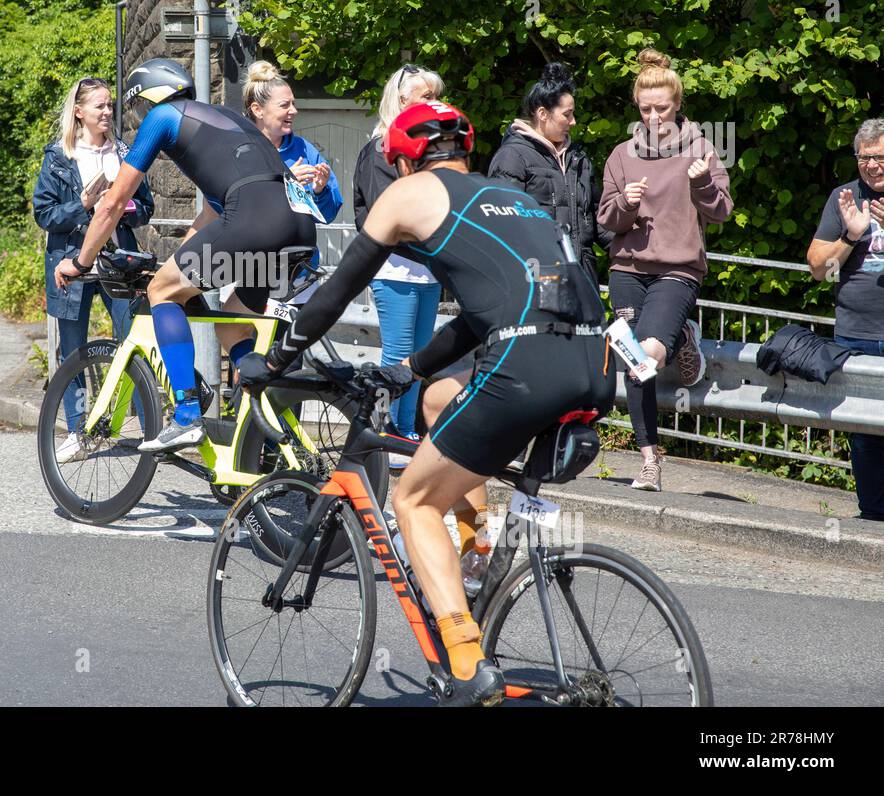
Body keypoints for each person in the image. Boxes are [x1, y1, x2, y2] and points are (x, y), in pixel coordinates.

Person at [240, 101, 614, 706]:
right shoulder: (512, 197)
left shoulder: (409, 194)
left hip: (526, 366)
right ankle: (472, 551)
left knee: (411, 498)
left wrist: (278, 360)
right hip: (593, 368)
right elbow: (478, 317)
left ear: (403, 158)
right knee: (440, 400)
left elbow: (338, 289)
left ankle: (465, 659)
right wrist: (409, 370)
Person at [54, 57, 317, 452]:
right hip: (295, 227)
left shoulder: (163, 117)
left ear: (149, 97)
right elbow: (212, 212)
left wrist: (81, 262)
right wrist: (172, 267)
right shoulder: (225, 122)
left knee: (161, 293)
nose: (142, 115)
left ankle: (187, 413)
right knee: (230, 326)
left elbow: (112, 204)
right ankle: (268, 415)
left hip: (255, 222)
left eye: (138, 105)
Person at [597, 49, 733, 491]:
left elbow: (722, 212)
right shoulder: (621, 155)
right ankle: (650, 460)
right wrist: (626, 204)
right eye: (645, 108)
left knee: (649, 354)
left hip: (678, 268)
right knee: (635, 360)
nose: (654, 116)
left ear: (678, 105)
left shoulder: (701, 148)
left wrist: (701, 182)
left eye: (662, 108)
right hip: (627, 268)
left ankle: (675, 339)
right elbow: (606, 220)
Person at [34, 76, 154, 463]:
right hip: (71, 263)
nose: (107, 112)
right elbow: (45, 214)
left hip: (117, 263)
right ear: (79, 112)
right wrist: (84, 204)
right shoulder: (58, 156)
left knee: (130, 342)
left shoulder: (124, 152)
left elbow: (146, 208)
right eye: (100, 106)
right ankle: (77, 430)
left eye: (110, 106)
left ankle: (135, 424)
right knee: (74, 351)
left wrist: (124, 206)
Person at [353, 64, 445, 464]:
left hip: (427, 268)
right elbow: (385, 215)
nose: (434, 103)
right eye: (426, 96)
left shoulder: (429, 149)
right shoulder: (379, 150)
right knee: (397, 354)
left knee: (420, 356)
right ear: (402, 100)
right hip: (397, 267)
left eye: (435, 95)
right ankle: (386, 431)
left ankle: (405, 432)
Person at [807, 117, 884, 520]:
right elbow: (819, 268)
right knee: (866, 433)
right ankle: (872, 518)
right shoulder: (845, 198)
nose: (873, 166)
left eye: (881, 157)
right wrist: (852, 236)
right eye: (865, 157)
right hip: (857, 333)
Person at [489, 62, 610, 284]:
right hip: (536, 275)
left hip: (581, 275)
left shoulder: (578, 159)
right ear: (543, 114)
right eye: (567, 114)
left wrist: (639, 255)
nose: (573, 121)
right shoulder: (512, 157)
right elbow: (504, 223)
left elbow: (599, 220)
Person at [241, 60, 343, 303]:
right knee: (252, 339)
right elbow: (235, 207)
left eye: (294, 104)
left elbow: (328, 215)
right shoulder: (241, 149)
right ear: (258, 110)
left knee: (294, 341)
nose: (294, 111)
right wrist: (286, 180)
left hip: (300, 273)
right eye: (285, 105)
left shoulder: (304, 150)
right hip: (252, 268)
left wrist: (319, 191)